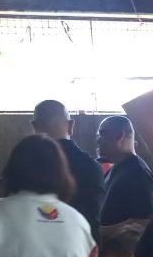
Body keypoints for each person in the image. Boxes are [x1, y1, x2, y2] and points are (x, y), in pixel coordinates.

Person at [31, 100, 105, 241]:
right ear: (71, 126)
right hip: (80, 253)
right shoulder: (91, 167)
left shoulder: (24, 167)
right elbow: (93, 223)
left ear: (34, 127)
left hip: (34, 253)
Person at [98, 115, 153, 227]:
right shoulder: (117, 167)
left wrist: (101, 232)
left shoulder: (138, 173)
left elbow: (142, 222)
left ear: (120, 137)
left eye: (102, 134)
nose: (98, 140)